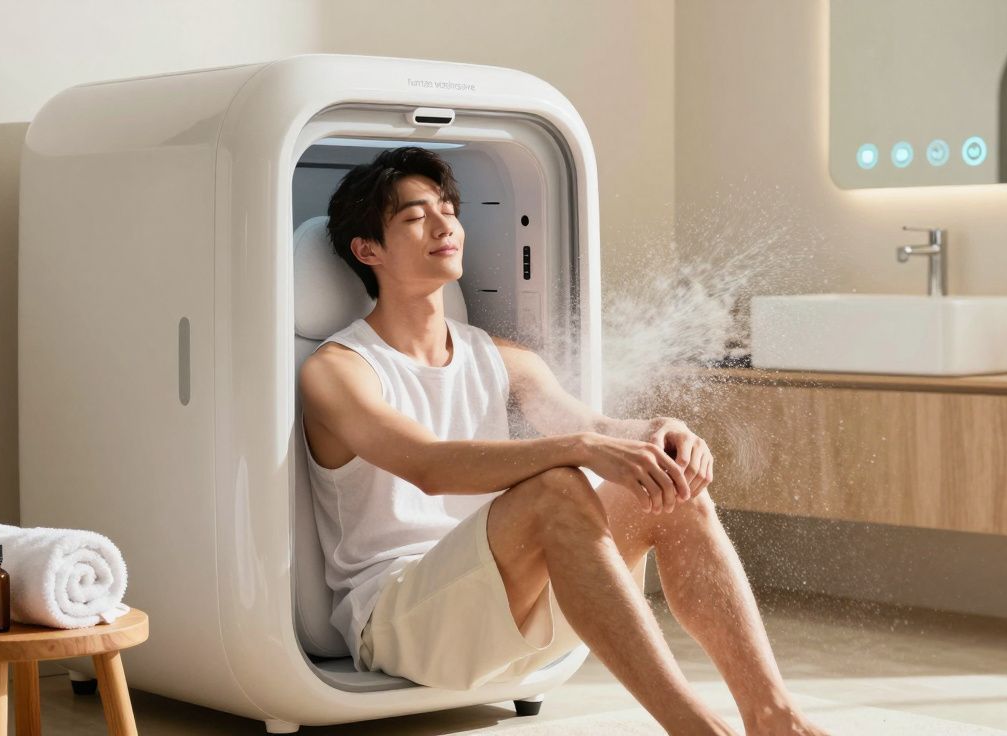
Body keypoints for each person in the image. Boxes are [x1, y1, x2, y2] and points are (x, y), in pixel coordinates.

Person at [299, 146, 826, 736]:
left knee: (672, 487)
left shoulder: (497, 356)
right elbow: (428, 465)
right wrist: (578, 450)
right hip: (402, 621)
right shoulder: (338, 370)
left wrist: (659, 434)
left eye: (448, 207)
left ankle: (775, 717)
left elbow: (593, 429)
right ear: (368, 250)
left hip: (511, 604)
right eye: (416, 216)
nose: (445, 224)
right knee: (556, 487)